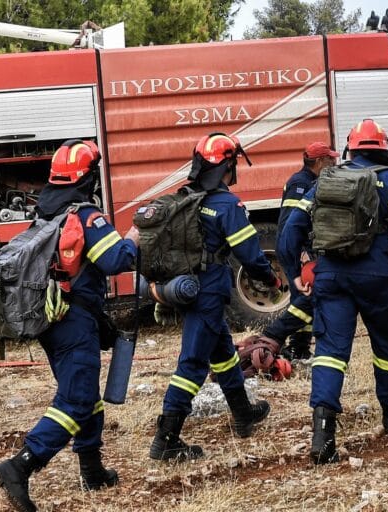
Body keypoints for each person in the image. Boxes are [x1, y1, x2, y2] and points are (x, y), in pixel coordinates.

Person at [0, 140, 139, 512]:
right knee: (76, 400)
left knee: (85, 394)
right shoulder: (87, 216)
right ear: (89, 178)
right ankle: (20, 466)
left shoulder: (46, 211)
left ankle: (92, 469)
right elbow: (115, 260)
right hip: (75, 320)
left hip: (49, 318)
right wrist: (136, 236)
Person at [279, 119, 388, 464]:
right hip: (378, 277)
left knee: (330, 351)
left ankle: (323, 432)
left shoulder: (327, 180)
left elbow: (289, 233)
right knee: (386, 346)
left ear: (350, 149)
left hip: (332, 277)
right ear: (383, 149)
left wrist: (294, 274)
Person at [149, 133, 282, 462]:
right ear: (228, 164)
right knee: (193, 362)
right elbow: (250, 254)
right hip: (208, 290)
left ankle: (243, 412)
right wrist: (270, 279)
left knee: (222, 350)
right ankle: (167, 438)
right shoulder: (226, 204)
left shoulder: (186, 197)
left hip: (190, 286)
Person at [259, 142, 338, 361]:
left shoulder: (311, 181)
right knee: (301, 299)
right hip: (296, 252)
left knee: (305, 298)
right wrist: (301, 253)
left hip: (304, 251)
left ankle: (300, 347)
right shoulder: (300, 184)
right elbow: (290, 224)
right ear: (320, 161)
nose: (334, 162)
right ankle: (294, 346)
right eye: (331, 159)